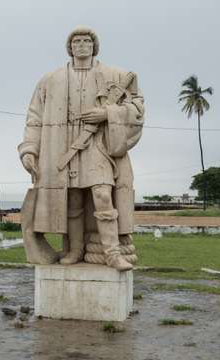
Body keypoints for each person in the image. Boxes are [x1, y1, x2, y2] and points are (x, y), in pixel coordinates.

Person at [18, 26, 144, 271]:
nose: (82, 45)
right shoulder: (49, 80)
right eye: (76, 41)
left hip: (98, 146)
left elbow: (137, 107)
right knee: (72, 199)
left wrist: (107, 113)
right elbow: (34, 117)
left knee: (103, 194)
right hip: (61, 148)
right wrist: (29, 150)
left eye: (87, 41)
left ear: (94, 46)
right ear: (70, 47)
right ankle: (75, 249)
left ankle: (112, 254)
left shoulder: (116, 76)